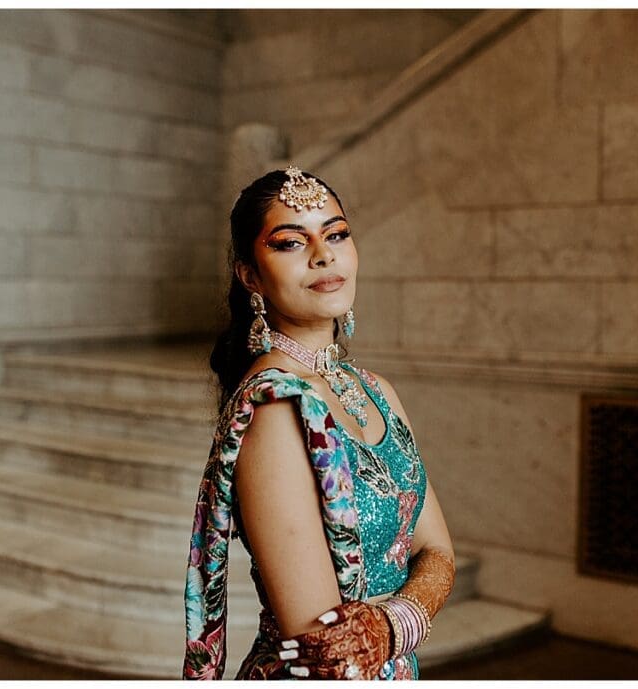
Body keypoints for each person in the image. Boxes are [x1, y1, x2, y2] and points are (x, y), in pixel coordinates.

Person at [184, 165, 455, 680]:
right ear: (250, 276)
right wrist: (403, 617)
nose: (323, 254)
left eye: (336, 234)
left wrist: (390, 627)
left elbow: (438, 550)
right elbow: (323, 641)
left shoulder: (377, 391)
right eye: (290, 242)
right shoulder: (275, 408)